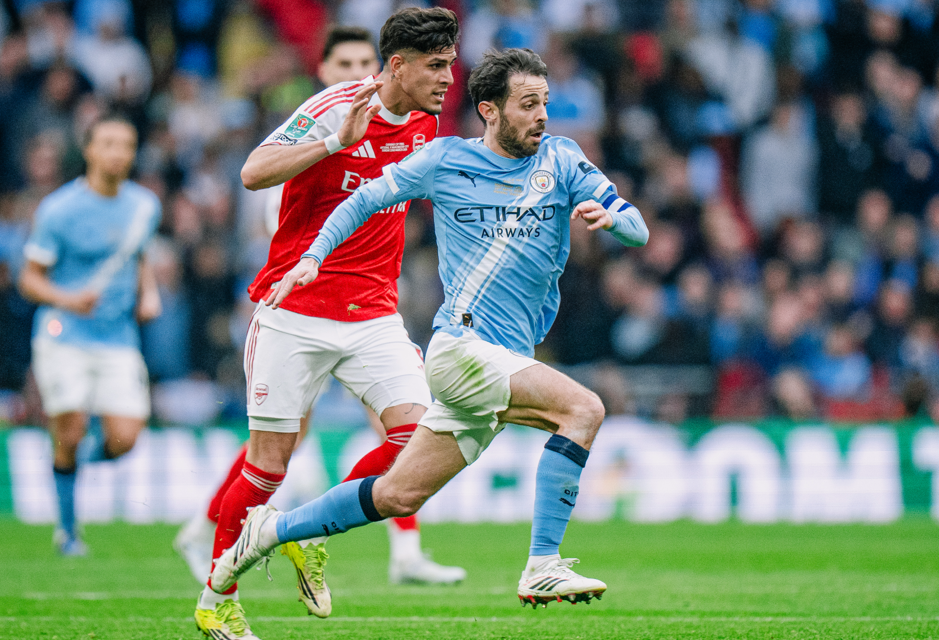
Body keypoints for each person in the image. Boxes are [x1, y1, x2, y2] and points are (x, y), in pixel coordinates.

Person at [210, 47, 648, 611]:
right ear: (489, 110)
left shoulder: (563, 160)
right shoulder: (444, 160)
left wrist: (612, 219)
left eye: (545, 103)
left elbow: (635, 224)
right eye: (528, 105)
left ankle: (269, 533)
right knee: (583, 409)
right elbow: (363, 200)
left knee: (397, 494)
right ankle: (542, 564)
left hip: (506, 356)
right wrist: (315, 255)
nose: (542, 116)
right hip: (461, 349)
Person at [189, 11, 462, 640]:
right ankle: (216, 598)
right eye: (438, 66)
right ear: (398, 66)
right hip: (295, 307)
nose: (449, 79)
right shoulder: (337, 106)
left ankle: (304, 528)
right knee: (267, 467)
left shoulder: (428, 120)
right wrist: (333, 142)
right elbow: (253, 172)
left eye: (450, 64)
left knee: (420, 442)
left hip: (372, 313)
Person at [18, 116, 162, 556]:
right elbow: (30, 278)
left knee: (125, 439)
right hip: (64, 334)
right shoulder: (59, 210)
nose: (118, 152)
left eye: (127, 144)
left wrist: (149, 291)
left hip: (117, 336)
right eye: (108, 143)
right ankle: (68, 531)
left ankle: (68, 467)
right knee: (72, 423)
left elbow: (136, 255)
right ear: (89, 150)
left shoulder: (144, 205)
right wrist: (66, 298)